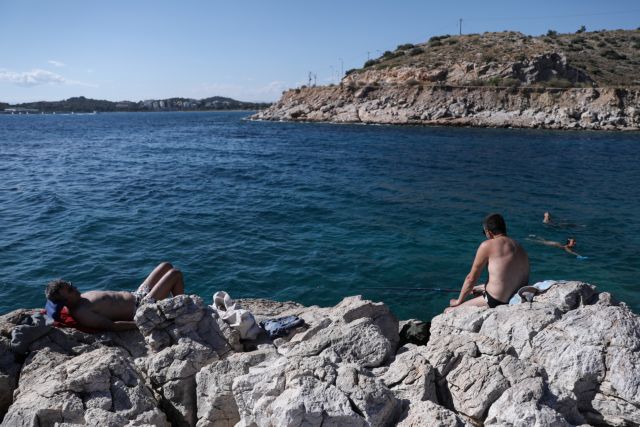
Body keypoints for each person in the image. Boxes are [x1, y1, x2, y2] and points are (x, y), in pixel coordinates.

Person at [45, 262, 184, 331]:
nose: (74, 287)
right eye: (70, 289)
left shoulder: (80, 299)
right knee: (175, 274)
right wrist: (142, 323)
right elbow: (111, 326)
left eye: (70, 284)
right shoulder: (82, 313)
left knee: (166, 265)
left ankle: (179, 305)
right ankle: (182, 311)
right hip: (141, 308)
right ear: (65, 301)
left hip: (136, 295)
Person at [445, 213, 530, 312]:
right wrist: (484, 287)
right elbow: (509, 276)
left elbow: (471, 278)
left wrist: (458, 301)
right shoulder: (519, 246)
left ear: (488, 232)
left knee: (448, 310)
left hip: (497, 300)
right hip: (517, 296)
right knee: (477, 289)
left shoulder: (487, 245)